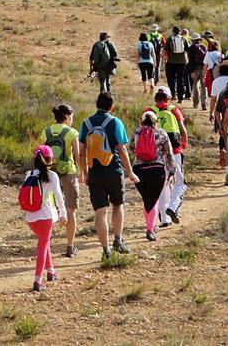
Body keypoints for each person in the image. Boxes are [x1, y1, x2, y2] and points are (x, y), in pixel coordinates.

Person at [81, 92, 139, 259]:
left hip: (94, 173)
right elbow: (122, 149)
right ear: (111, 107)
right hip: (114, 170)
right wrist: (130, 172)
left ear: (96, 104)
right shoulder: (115, 122)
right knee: (118, 205)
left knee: (100, 211)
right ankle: (118, 240)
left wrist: (85, 173)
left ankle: (105, 250)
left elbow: (81, 152)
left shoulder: (86, 123)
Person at [23, 145, 67, 292]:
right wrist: (63, 214)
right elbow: (59, 197)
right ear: (49, 160)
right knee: (42, 246)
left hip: (31, 217)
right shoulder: (51, 176)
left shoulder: (29, 174)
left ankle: (51, 271)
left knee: (44, 242)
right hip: (46, 216)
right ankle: (38, 280)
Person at [41, 104, 81, 257]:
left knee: (50, 208)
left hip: (50, 173)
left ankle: (46, 246)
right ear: (66, 116)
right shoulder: (72, 133)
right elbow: (77, 155)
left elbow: (41, 154)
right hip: (68, 173)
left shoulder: (46, 132)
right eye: (71, 116)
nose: (72, 119)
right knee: (71, 209)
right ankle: (70, 246)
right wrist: (82, 172)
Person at [131, 111, 175, 241]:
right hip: (157, 169)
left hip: (139, 169)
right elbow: (169, 153)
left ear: (142, 121)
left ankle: (150, 225)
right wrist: (172, 169)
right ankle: (150, 229)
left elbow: (130, 148)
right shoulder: (161, 133)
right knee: (154, 199)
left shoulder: (136, 132)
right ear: (156, 121)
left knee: (146, 199)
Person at [148, 87, 188, 227]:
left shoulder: (149, 111)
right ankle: (173, 207)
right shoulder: (174, 110)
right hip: (175, 151)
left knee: (163, 185)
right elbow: (183, 130)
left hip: (155, 154)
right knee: (179, 183)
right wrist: (184, 143)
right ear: (168, 98)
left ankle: (165, 218)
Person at [164, 27, 190, 103]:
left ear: (173, 31)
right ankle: (180, 97)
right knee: (180, 80)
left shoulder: (169, 39)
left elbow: (165, 50)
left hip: (171, 62)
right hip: (182, 63)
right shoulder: (184, 39)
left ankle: (173, 94)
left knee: (171, 79)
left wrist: (164, 60)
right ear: (179, 32)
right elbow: (187, 50)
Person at [188, 34, 209, 111]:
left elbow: (190, 61)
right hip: (204, 68)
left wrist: (191, 71)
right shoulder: (204, 47)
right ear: (199, 40)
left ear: (193, 40)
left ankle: (196, 102)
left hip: (195, 68)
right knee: (204, 86)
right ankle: (204, 103)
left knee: (195, 85)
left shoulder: (191, 48)